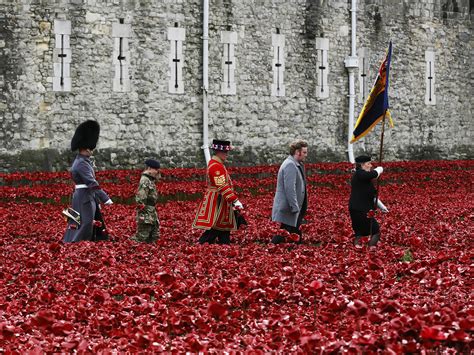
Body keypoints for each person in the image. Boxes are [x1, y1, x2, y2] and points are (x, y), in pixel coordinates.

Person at [63, 120, 113, 243]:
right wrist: (105, 198)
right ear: (86, 148)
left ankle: (89, 241)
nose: (92, 150)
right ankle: (76, 242)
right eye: (91, 148)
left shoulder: (84, 161)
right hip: (84, 196)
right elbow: (91, 183)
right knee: (85, 223)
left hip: (86, 195)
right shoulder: (81, 163)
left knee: (89, 221)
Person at [193, 139, 244, 244]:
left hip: (221, 201)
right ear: (218, 152)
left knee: (223, 228)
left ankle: (224, 245)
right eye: (225, 152)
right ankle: (202, 245)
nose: (227, 154)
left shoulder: (217, 164)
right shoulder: (216, 166)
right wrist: (234, 200)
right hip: (218, 201)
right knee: (216, 228)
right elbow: (222, 186)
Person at [271, 140, 308, 244]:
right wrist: (295, 207)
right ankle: (271, 248)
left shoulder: (296, 164)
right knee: (286, 233)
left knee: (292, 233)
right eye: (304, 152)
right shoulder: (290, 165)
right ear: (297, 152)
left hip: (292, 207)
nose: (306, 155)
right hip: (289, 208)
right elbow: (290, 189)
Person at [348, 155, 389, 246]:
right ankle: (370, 252)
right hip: (361, 209)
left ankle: (356, 252)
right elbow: (373, 174)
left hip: (356, 208)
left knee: (359, 233)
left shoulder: (361, 177)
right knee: (376, 231)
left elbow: (372, 195)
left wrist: (382, 207)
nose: (370, 166)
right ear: (362, 165)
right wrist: (379, 169)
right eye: (368, 163)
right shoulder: (360, 174)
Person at [131, 159, 161, 243]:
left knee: (154, 237)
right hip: (146, 213)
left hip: (151, 212)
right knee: (142, 238)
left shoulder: (150, 180)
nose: (157, 172)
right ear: (149, 168)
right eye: (155, 169)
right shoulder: (145, 180)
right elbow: (140, 199)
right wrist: (144, 215)